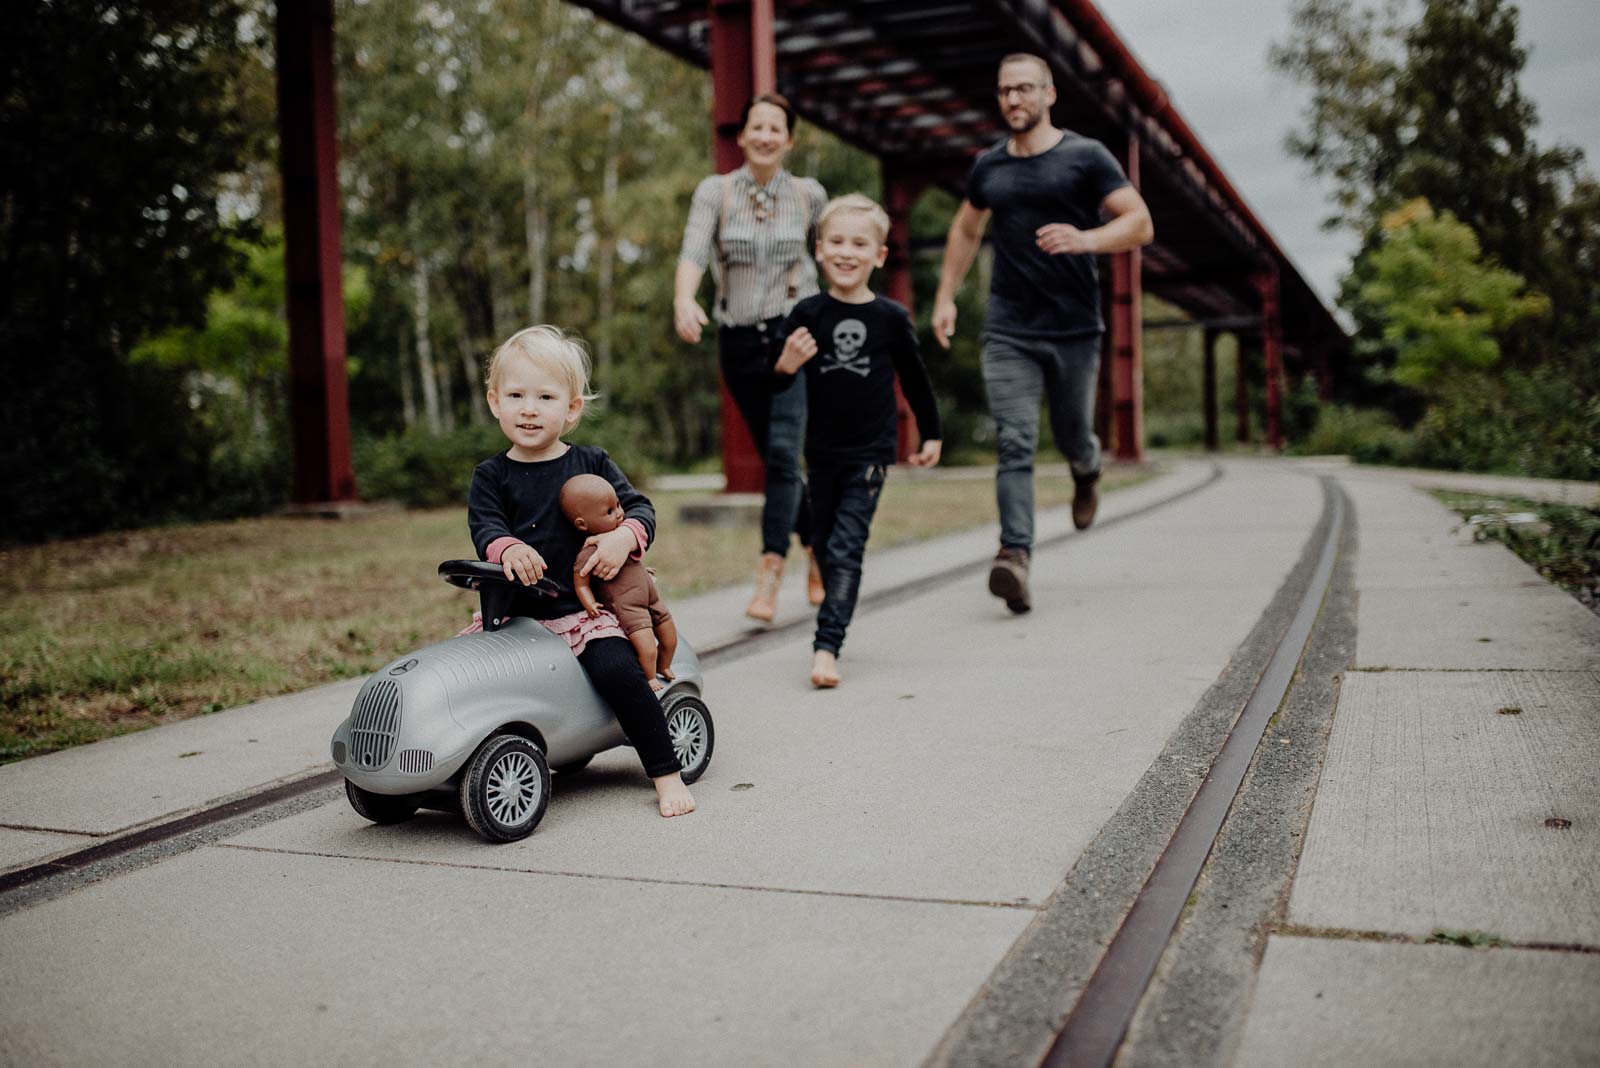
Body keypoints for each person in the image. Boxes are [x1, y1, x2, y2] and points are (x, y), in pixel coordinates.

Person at [931, 52, 1154, 615]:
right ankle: (1015, 555)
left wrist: (1087, 239)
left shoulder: (1085, 156)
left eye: (1025, 89)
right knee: (1014, 440)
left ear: (1049, 94)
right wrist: (944, 296)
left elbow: (1139, 222)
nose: (1014, 100)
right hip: (1009, 327)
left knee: (1074, 432)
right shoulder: (989, 167)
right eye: (1006, 90)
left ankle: (1087, 470)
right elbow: (965, 228)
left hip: (1075, 327)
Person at [467, 325, 695, 818]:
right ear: (494, 402)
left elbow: (640, 508)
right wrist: (506, 548)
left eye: (545, 396)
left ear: (570, 409)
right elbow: (485, 526)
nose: (529, 408)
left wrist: (622, 536)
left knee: (618, 671)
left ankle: (665, 771)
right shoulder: (491, 476)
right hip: (515, 616)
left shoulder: (590, 463)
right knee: (469, 678)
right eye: (516, 395)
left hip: (581, 613)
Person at [773, 194, 942, 688]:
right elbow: (773, 382)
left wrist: (931, 432)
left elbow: (916, 379)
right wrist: (783, 364)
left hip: (871, 455)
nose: (848, 252)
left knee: (846, 549)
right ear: (820, 250)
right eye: (838, 242)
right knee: (824, 546)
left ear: (879, 255)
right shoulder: (807, 313)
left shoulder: (891, 318)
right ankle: (834, 612)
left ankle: (827, 647)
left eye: (860, 243)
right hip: (822, 455)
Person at [676, 92, 828, 624]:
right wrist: (683, 298)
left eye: (775, 128)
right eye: (756, 126)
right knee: (778, 456)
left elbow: (834, 256)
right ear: (741, 136)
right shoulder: (714, 192)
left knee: (786, 454)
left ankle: (770, 575)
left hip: (795, 333)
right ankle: (819, 553)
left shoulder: (810, 195)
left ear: (789, 139)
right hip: (739, 341)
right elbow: (695, 249)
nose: (765, 136)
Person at [561, 473, 679, 692]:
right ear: (582, 524)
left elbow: (630, 564)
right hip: (630, 608)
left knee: (670, 638)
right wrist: (589, 603)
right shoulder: (589, 551)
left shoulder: (620, 537)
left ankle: (664, 665)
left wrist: (643, 570)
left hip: (651, 597)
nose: (620, 513)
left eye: (618, 505)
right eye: (609, 511)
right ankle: (649, 675)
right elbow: (581, 583)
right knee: (647, 648)